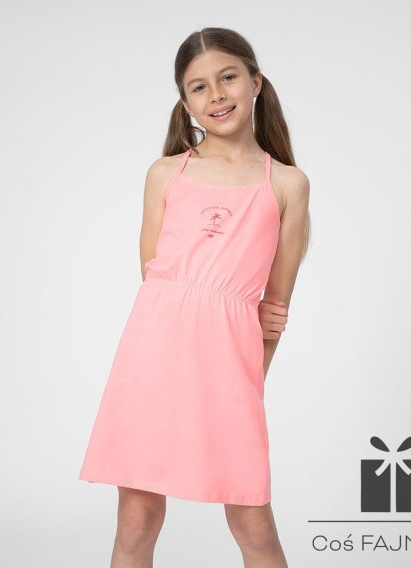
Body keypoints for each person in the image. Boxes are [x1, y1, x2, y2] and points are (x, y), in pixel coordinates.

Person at [79, 27, 310, 568]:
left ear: (256, 82)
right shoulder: (166, 173)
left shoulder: (287, 184)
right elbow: (155, 281)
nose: (217, 95)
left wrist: (249, 377)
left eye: (228, 77)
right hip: (151, 364)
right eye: (199, 87)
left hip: (230, 370)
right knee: (137, 516)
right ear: (185, 104)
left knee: (252, 521)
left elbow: (274, 306)